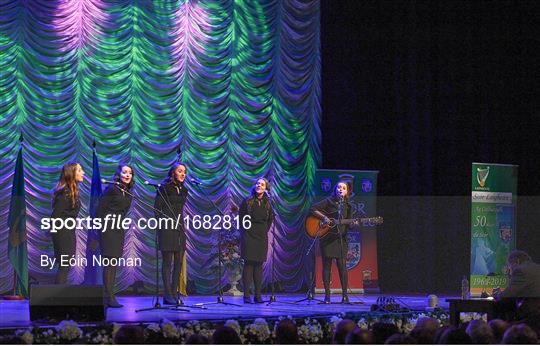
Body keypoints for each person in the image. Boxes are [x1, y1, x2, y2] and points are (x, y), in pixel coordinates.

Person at [310, 180, 356, 303]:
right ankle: (327, 296)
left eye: (343, 188)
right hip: (327, 238)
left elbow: (350, 225)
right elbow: (313, 208)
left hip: (341, 239)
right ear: (335, 189)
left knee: (342, 267)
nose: (340, 189)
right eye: (339, 187)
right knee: (327, 266)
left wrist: (353, 224)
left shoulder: (349, 206)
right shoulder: (328, 201)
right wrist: (324, 218)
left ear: (347, 192)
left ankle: (345, 295)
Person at [96, 164, 134, 308]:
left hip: (119, 228)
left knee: (114, 263)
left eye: (130, 173)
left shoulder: (128, 191)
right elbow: (100, 209)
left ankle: (110, 295)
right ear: (119, 174)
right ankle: (108, 296)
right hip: (108, 228)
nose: (128, 175)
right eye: (125, 172)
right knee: (109, 264)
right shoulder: (112, 189)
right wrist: (99, 229)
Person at [154, 162, 188, 305]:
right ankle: (167, 294)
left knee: (178, 262)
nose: (182, 174)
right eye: (180, 171)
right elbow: (157, 209)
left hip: (179, 228)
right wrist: (164, 225)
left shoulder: (184, 190)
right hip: (167, 228)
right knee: (168, 263)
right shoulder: (164, 188)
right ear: (173, 172)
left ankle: (175, 292)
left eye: (184, 172)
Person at [239, 178, 274, 303]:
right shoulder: (247, 202)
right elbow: (241, 218)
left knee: (258, 265)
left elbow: (270, 219)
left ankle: (258, 295)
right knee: (248, 265)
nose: (259, 185)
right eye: (258, 183)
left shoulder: (268, 203)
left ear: (266, 188)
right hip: (249, 236)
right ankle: (246, 295)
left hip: (261, 237)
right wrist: (246, 232)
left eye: (262, 184)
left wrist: (264, 230)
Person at [51, 162, 85, 284]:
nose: (83, 173)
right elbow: (56, 216)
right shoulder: (65, 193)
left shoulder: (70, 191)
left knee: (65, 266)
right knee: (64, 266)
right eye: (80, 170)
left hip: (67, 231)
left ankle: (57, 299)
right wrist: (58, 234)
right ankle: (56, 300)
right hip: (63, 233)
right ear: (71, 173)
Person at [496, 250, 540, 332]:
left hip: (533, 320)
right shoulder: (537, 268)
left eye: (510, 266)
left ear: (517, 261)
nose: (510, 271)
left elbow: (505, 297)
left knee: (497, 326)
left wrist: (496, 295)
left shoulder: (521, 270)